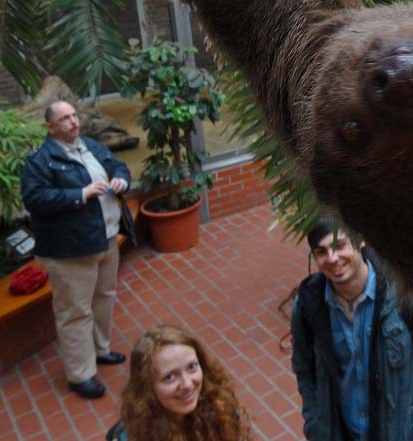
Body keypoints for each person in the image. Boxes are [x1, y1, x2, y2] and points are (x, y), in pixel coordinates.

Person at [291, 217, 413, 441]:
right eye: (321, 252)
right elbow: (304, 369)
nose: (332, 259)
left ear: (361, 242)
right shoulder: (309, 305)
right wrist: (315, 423)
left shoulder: (404, 294)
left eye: (339, 246)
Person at [21, 100, 135, 399]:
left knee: (104, 298)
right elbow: (34, 199)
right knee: (74, 312)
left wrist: (122, 178)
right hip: (71, 250)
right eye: (64, 119)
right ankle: (80, 375)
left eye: (74, 116)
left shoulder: (92, 146)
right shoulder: (40, 160)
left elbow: (117, 165)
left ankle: (100, 350)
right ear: (51, 127)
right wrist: (80, 194)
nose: (73, 122)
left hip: (107, 238)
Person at [105, 325, 251, 441]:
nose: (188, 384)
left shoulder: (218, 406)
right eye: (169, 377)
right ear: (147, 387)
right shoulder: (132, 436)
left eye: (192, 367)